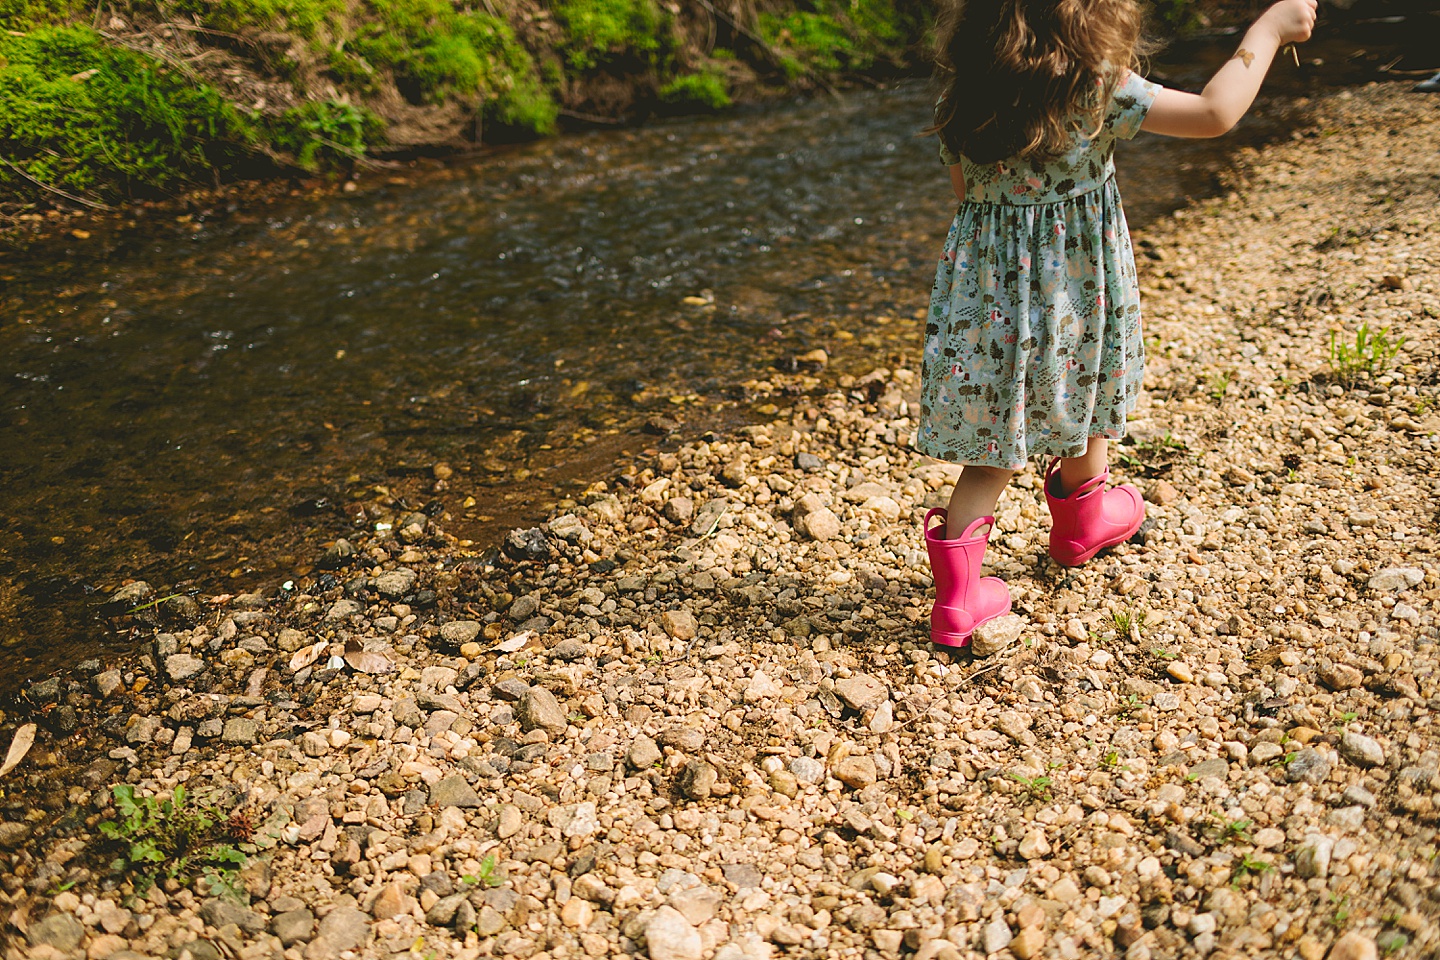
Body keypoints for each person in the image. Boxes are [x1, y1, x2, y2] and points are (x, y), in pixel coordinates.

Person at [918, 0, 1317, 647]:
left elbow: (965, 196)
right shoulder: (1096, 85)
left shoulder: (965, 97)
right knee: (1090, 378)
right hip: (1077, 287)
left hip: (988, 297)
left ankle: (963, 597)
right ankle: (1080, 519)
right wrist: (1267, 31)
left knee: (996, 437)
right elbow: (1215, 112)